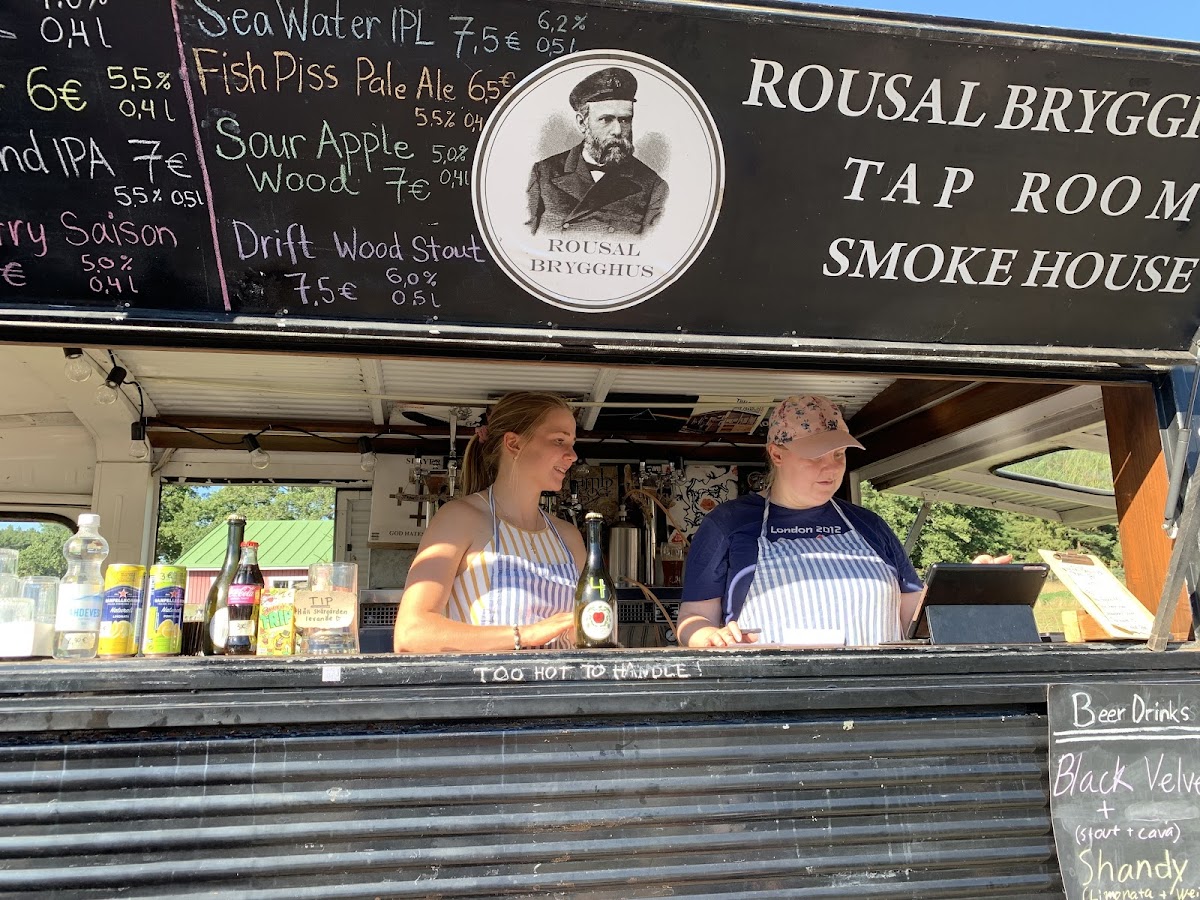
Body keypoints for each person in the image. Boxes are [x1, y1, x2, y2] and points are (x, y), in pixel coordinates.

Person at [677, 395, 1010, 648]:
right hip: (776, 702)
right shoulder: (728, 524)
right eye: (816, 456)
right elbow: (693, 618)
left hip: (879, 699)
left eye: (838, 454)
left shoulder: (869, 525)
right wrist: (710, 637)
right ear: (777, 454)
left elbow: (915, 618)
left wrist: (961, 591)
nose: (832, 467)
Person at [393, 392, 585, 653]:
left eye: (572, 443)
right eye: (559, 441)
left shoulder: (569, 537)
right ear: (513, 443)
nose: (572, 455)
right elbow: (411, 634)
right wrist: (525, 635)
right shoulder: (459, 519)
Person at [526, 66, 669, 236]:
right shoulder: (543, 173)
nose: (617, 131)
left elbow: (651, 247)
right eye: (606, 120)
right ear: (582, 123)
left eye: (625, 120)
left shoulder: (653, 186)